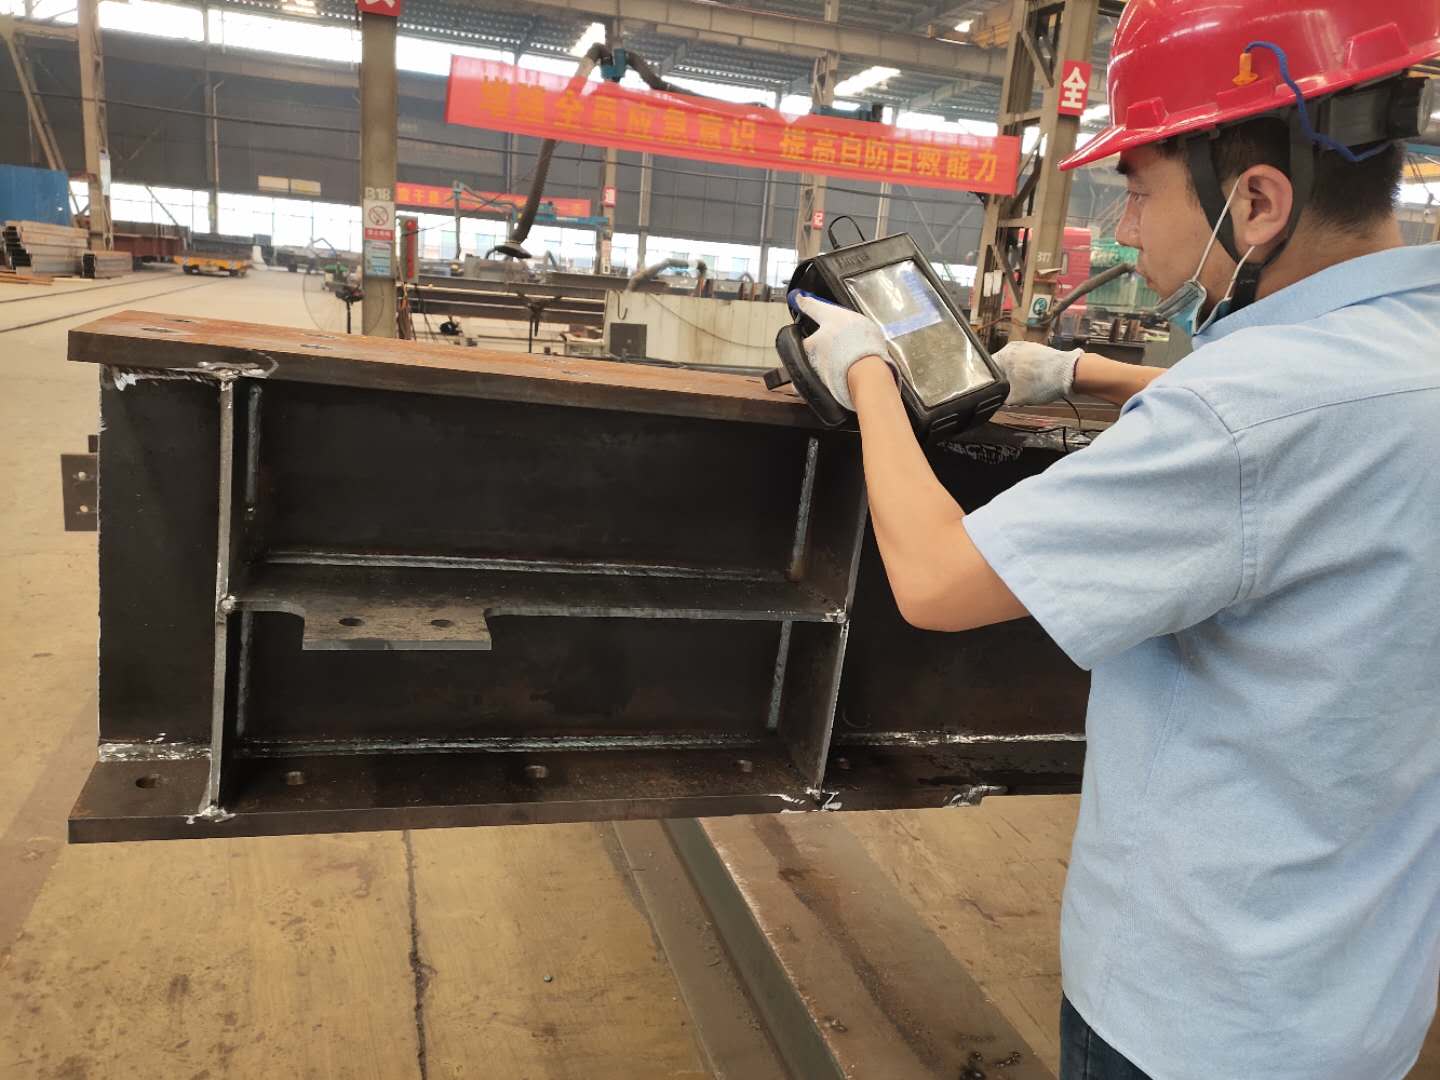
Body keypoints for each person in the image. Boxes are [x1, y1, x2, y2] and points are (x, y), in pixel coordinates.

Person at [792, 2, 1440, 1077]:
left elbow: (936, 579)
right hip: (1361, 1005)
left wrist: (865, 369)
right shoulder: (1404, 352)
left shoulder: (1241, 413)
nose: (1127, 229)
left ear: (1257, 200)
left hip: (1191, 1016)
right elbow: (1307, 426)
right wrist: (1085, 374)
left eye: (1137, 190)